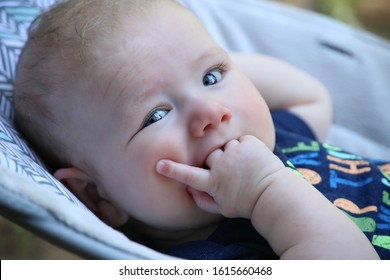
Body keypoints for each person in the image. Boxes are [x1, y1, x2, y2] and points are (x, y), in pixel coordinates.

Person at [12, 0, 389, 259]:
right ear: (98, 197)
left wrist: (186, 59)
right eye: (156, 116)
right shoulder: (207, 259)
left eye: (212, 77)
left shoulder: (262, 141)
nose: (211, 112)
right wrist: (264, 193)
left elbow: (310, 97)